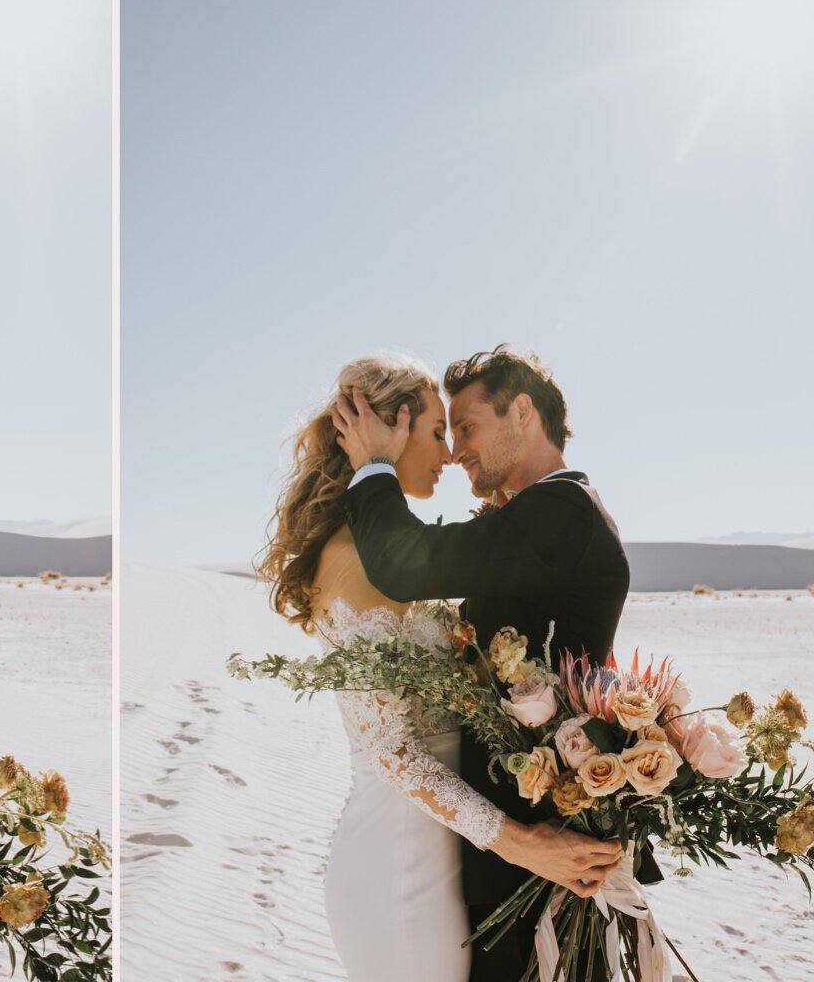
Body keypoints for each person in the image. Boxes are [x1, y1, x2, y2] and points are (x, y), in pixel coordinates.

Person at [258, 351, 621, 982]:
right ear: (387, 429)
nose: (452, 452)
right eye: (437, 431)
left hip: (469, 856)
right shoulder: (355, 558)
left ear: (524, 411)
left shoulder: (557, 511)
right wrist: (517, 840)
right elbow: (391, 749)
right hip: (407, 862)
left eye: (464, 428)